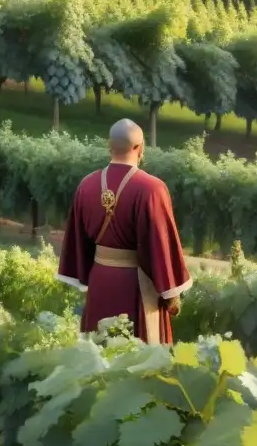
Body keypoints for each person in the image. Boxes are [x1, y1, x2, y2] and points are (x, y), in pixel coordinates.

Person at [57, 119, 191, 345]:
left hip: (100, 281)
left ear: (109, 146)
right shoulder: (151, 188)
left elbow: (78, 242)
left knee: (98, 354)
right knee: (136, 360)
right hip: (135, 288)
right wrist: (171, 295)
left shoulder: (86, 185)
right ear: (140, 148)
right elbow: (159, 245)